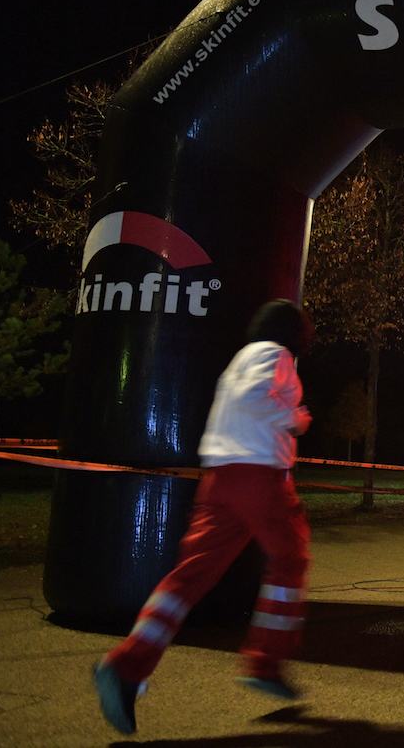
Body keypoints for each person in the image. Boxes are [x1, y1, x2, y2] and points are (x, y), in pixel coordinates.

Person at [93, 300, 315, 735]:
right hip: (257, 474)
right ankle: (265, 663)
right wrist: (294, 419)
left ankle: (126, 665)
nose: (308, 338)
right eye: (306, 331)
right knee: (292, 557)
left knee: (189, 577)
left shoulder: (242, 357)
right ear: (292, 332)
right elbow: (257, 399)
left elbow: (238, 398)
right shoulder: (276, 354)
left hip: (219, 477)